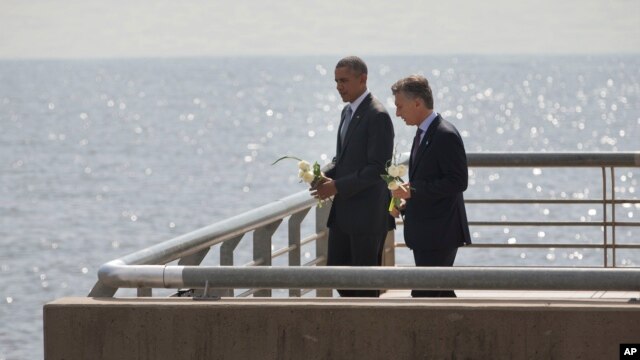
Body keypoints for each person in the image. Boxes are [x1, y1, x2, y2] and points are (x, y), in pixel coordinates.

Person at [311, 56, 395, 297]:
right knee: (338, 277)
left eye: (344, 80)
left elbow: (378, 169)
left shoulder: (377, 115)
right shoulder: (346, 113)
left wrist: (336, 186)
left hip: (367, 218)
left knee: (364, 287)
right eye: (336, 81)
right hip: (344, 217)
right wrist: (321, 175)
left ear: (362, 79)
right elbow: (343, 159)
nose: (339, 86)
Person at [390, 75, 471, 298]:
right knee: (435, 293)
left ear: (417, 102)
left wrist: (414, 190)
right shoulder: (423, 132)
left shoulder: (445, 134)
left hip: (440, 231)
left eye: (400, 106)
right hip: (429, 231)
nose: (397, 113)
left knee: (428, 294)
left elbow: (458, 181)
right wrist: (407, 197)